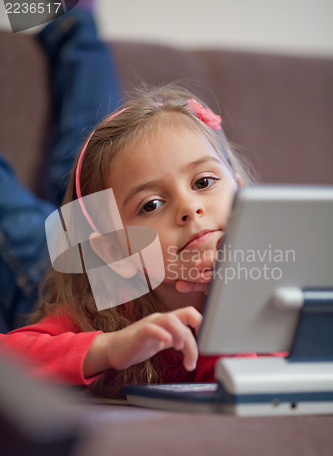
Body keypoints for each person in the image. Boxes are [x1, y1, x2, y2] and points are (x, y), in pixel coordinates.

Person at [1, 84, 259, 398]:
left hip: (77, 240)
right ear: (116, 251)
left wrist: (227, 304)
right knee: (18, 219)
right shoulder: (100, 315)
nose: (190, 208)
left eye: (203, 182)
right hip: (43, 266)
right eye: (151, 204)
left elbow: (249, 386)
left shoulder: (275, 287)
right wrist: (107, 348)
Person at [0, 5, 122, 332]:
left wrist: (105, 350)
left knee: (21, 219)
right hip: (101, 256)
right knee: (100, 152)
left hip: (56, 288)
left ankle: (73, 22)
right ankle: (72, 21)